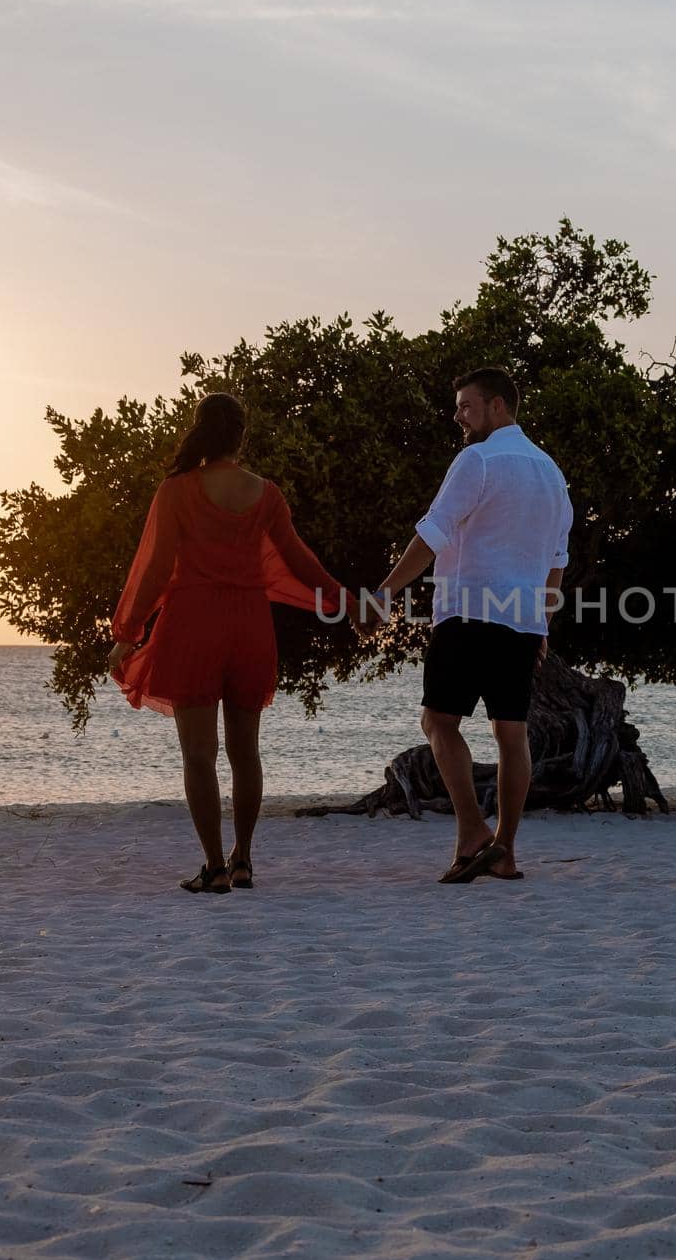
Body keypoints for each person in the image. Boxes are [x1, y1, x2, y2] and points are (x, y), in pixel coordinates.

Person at [107, 392, 356, 894]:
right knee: (247, 753)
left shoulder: (176, 491)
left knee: (199, 756)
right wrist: (345, 600)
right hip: (249, 627)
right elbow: (299, 560)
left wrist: (128, 635)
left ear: (200, 431)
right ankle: (244, 859)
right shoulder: (265, 494)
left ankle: (215, 867)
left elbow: (155, 571)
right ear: (241, 435)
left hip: (193, 624)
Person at [367, 367, 572, 884]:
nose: (458, 416)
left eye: (466, 406)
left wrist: (385, 592)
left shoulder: (476, 460)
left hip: (467, 613)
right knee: (511, 732)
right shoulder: (551, 472)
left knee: (438, 723)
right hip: (522, 622)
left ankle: (472, 832)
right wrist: (541, 624)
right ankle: (504, 851)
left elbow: (432, 533)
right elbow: (556, 560)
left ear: (497, 406)